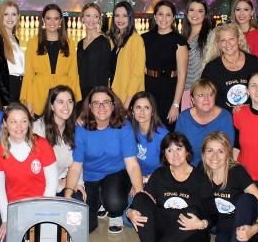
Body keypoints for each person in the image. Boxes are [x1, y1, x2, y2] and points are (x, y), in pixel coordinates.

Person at [124, 132, 216, 242]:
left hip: (191, 238)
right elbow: (142, 202)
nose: (175, 154)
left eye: (179, 148)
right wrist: (130, 213)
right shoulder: (160, 174)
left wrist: (201, 223)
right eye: (169, 150)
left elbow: (213, 214)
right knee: (140, 195)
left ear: (187, 151)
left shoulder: (200, 178)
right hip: (163, 234)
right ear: (164, 155)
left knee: (192, 211)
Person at [64, 87, 144, 234]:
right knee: (85, 226)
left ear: (113, 105)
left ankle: (113, 212)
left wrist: (139, 194)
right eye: (96, 103)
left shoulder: (124, 127)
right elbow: (75, 166)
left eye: (106, 102)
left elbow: (132, 165)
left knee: (115, 204)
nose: (101, 107)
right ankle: (100, 200)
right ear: (89, 107)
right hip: (90, 177)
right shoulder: (81, 129)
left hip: (115, 173)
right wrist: (68, 194)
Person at [0, 104, 59, 242]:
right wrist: (6, 219)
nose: (19, 126)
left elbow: (52, 182)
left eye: (23, 121)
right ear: (5, 124)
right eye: (13, 121)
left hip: (42, 206)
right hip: (15, 209)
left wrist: (41, 214)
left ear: (29, 122)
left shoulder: (42, 144)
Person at [203, 131, 258, 242]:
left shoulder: (236, 172)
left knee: (245, 199)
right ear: (203, 153)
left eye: (220, 151)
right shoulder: (202, 173)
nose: (214, 156)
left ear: (228, 154)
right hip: (228, 226)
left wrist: (255, 228)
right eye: (210, 150)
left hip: (251, 221)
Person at [20, 4, 81, 116]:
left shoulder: (69, 43)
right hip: (38, 93)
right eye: (48, 18)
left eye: (56, 18)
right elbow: (29, 75)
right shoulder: (33, 43)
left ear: (61, 21)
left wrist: (74, 99)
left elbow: (73, 73)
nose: (52, 22)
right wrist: (28, 103)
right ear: (43, 20)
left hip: (62, 94)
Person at [142, 0, 188, 128]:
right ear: (155, 16)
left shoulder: (179, 41)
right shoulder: (144, 39)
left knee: (167, 131)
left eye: (168, 15)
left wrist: (176, 104)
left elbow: (182, 75)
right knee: (147, 128)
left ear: (173, 18)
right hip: (149, 86)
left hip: (170, 90)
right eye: (160, 14)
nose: (164, 18)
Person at [200, 23, 258, 111]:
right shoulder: (211, 68)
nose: (228, 44)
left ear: (239, 40)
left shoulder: (253, 63)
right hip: (223, 119)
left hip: (252, 118)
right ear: (218, 44)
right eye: (223, 40)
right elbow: (205, 97)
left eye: (231, 39)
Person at [175, 79, 235, 168]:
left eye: (210, 95)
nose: (206, 99)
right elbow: (178, 149)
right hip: (190, 169)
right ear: (192, 99)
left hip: (217, 167)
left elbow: (227, 150)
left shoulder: (225, 117)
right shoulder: (183, 118)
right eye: (201, 95)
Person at [33, 85, 79, 194]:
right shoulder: (37, 129)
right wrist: (59, 185)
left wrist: (77, 183)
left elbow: (78, 162)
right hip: (40, 184)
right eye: (60, 102)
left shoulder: (75, 130)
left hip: (65, 181)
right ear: (52, 106)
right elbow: (34, 169)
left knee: (78, 204)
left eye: (70, 101)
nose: (66, 106)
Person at [0, 0, 24, 104]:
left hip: (19, 86)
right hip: (7, 90)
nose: (10, 18)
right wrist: (4, 101)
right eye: (6, 14)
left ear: (18, 17)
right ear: (0, 16)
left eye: (13, 14)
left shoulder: (15, 38)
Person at [109, 1, 145, 108]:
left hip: (128, 98)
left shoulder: (136, 40)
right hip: (115, 94)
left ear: (130, 18)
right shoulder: (114, 39)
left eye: (124, 16)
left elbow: (137, 74)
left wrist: (127, 102)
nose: (120, 20)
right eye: (117, 16)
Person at [182, 0, 214, 106]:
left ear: (205, 15)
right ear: (186, 13)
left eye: (200, 11)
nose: (195, 14)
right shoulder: (183, 37)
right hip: (184, 91)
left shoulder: (210, 36)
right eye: (192, 10)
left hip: (201, 93)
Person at [128, 91, 168, 179]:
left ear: (152, 111)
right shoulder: (129, 131)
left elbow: (168, 166)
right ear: (132, 110)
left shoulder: (162, 135)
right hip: (135, 177)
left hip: (157, 179)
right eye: (138, 107)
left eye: (146, 108)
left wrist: (145, 180)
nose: (142, 112)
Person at [77, 2, 113, 99]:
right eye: (88, 16)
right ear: (82, 19)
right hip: (81, 92)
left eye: (95, 16)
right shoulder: (80, 44)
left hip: (97, 94)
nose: (91, 20)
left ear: (99, 19)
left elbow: (107, 72)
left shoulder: (104, 43)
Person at [233, 0, 258, 64]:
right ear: (234, 12)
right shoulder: (230, 34)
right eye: (238, 9)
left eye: (246, 10)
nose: (241, 13)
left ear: (252, 13)